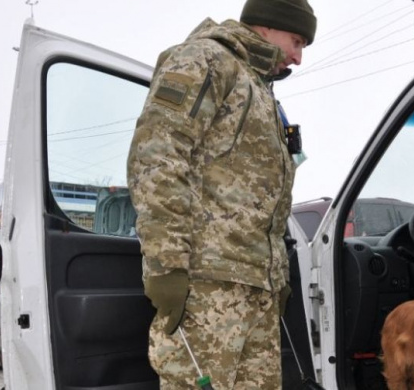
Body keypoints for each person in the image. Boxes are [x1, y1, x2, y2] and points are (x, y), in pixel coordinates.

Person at [126, 0, 316, 388]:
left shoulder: (261, 90)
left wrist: (276, 276)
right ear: (266, 26)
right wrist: (167, 266)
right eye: (296, 41)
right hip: (207, 286)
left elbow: (261, 197)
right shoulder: (207, 60)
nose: (297, 57)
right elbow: (157, 156)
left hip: (256, 290)